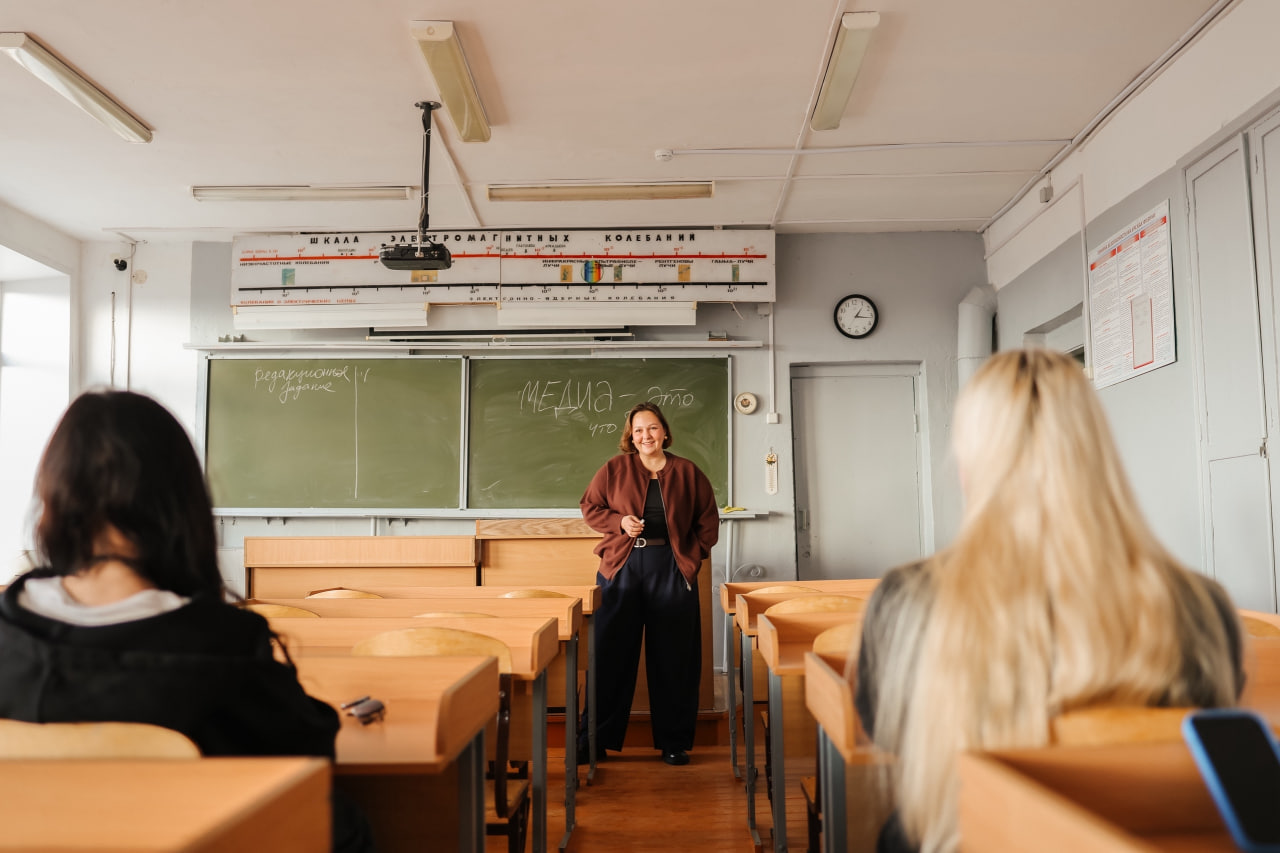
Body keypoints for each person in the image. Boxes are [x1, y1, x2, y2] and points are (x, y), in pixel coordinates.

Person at [852, 349, 1244, 853]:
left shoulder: (907, 598)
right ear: (1096, 451)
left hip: (964, 834)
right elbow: (1215, 735)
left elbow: (885, 731)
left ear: (970, 464)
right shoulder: (1201, 603)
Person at [0, 389, 370, 853]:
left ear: (52, 497)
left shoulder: (8, 632)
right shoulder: (224, 646)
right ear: (181, 501)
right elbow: (308, 761)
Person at [580, 401, 719, 765]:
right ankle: (593, 740)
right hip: (621, 568)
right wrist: (619, 523)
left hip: (671, 568)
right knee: (609, 655)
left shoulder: (688, 472)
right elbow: (590, 507)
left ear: (665, 432)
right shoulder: (614, 469)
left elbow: (708, 520)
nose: (646, 436)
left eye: (652, 428)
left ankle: (674, 742)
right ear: (631, 436)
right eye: (639, 430)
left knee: (675, 658)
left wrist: (691, 557)